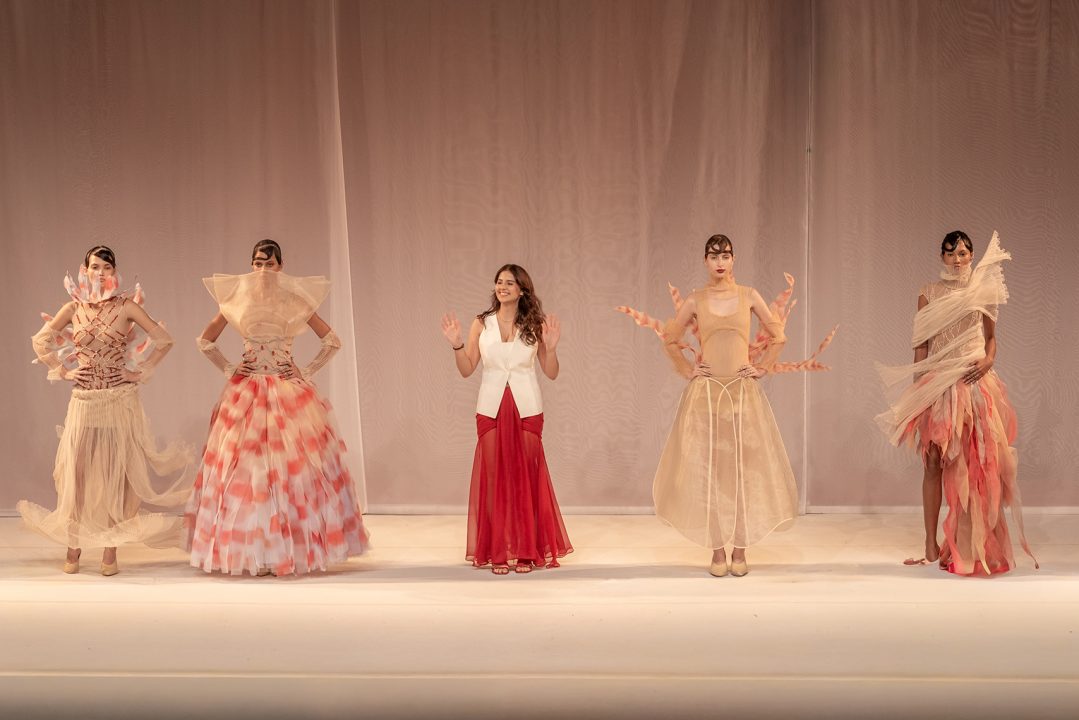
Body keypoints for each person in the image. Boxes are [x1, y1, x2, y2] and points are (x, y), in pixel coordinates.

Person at [619, 234, 834, 577]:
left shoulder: (748, 295)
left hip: (741, 393)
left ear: (733, 260)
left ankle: (740, 549)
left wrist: (762, 367)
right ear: (705, 261)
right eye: (713, 255)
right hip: (706, 395)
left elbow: (778, 335)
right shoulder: (696, 299)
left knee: (744, 473)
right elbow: (671, 339)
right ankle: (718, 549)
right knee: (711, 472)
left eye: (726, 255)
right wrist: (688, 370)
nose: (720, 262)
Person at [184, 239, 368, 576]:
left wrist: (305, 371)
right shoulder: (238, 299)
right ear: (251, 265)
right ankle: (255, 550)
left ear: (280, 266)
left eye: (269, 263)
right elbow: (205, 339)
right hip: (247, 392)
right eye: (258, 263)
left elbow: (332, 340)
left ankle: (284, 549)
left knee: (288, 471)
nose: (263, 269)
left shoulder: (293, 301)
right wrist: (229, 368)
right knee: (248, 470)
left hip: (285, 392)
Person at [21, 245, 191, 575]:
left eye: (107, 268)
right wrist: (64, 371)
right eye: (95, 267)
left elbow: (164, 340)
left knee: (117, 473)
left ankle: (110, 548)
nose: (101, 273)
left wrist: (138, 372)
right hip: (85, 400)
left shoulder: (126, 306)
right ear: (84, 271)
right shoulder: (73, 308)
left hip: (118, 399)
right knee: (78, 473)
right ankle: (74, 544)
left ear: (114, 273)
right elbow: (41, 341)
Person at [877, 231, 1035, 575]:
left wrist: (988, 361)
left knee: (975, 464)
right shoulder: (928, 293)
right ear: (942, 257)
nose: (957, 259)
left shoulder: (983, 290)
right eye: (951, 253)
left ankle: (969, 544)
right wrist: (919, 392)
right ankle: (929, 542)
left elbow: (991, 339)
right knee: (933, 462)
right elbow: (921, 345)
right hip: (938, 384)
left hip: (973, 383)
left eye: (963, 253)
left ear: (972, 255)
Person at [440, 264, 572, 574]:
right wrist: (457, 344)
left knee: (525, 477)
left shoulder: (535, 324)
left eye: (510, 283)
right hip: (490, 406)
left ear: (522, 289)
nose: (502, 287)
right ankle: (497, 551)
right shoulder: (481, 323)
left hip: (527, 406)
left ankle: (526, 551)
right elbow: (467, 368)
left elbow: (551, 372)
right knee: (494, 478)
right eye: (499, 282)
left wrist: (552, 349)